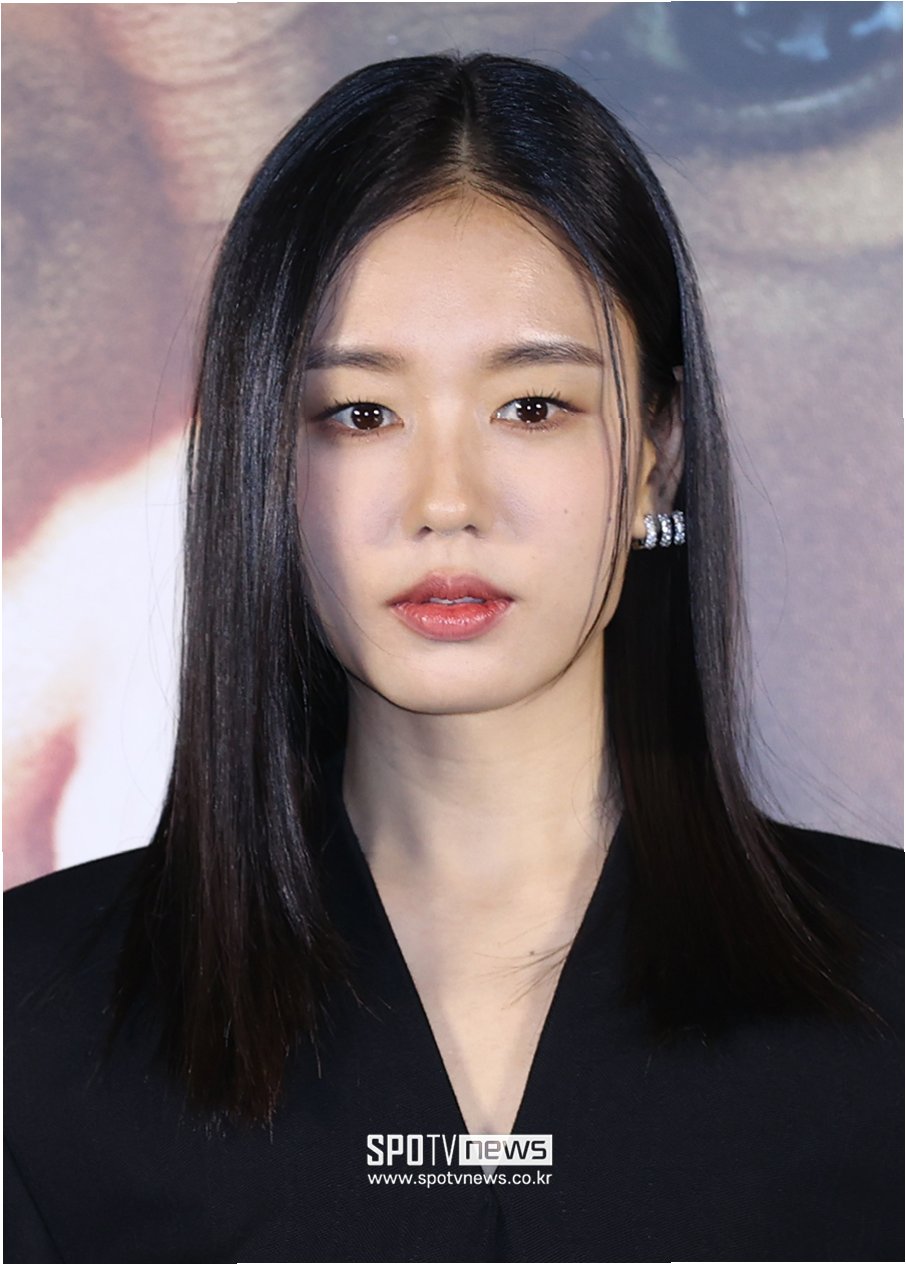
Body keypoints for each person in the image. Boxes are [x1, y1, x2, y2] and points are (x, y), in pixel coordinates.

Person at [5, 51, 901, 1265]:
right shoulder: (35, 1012)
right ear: (263, 460)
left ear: (660, 451)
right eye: (359, 414)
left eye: (532, 407)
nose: (446, 502)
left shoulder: (889, 989)